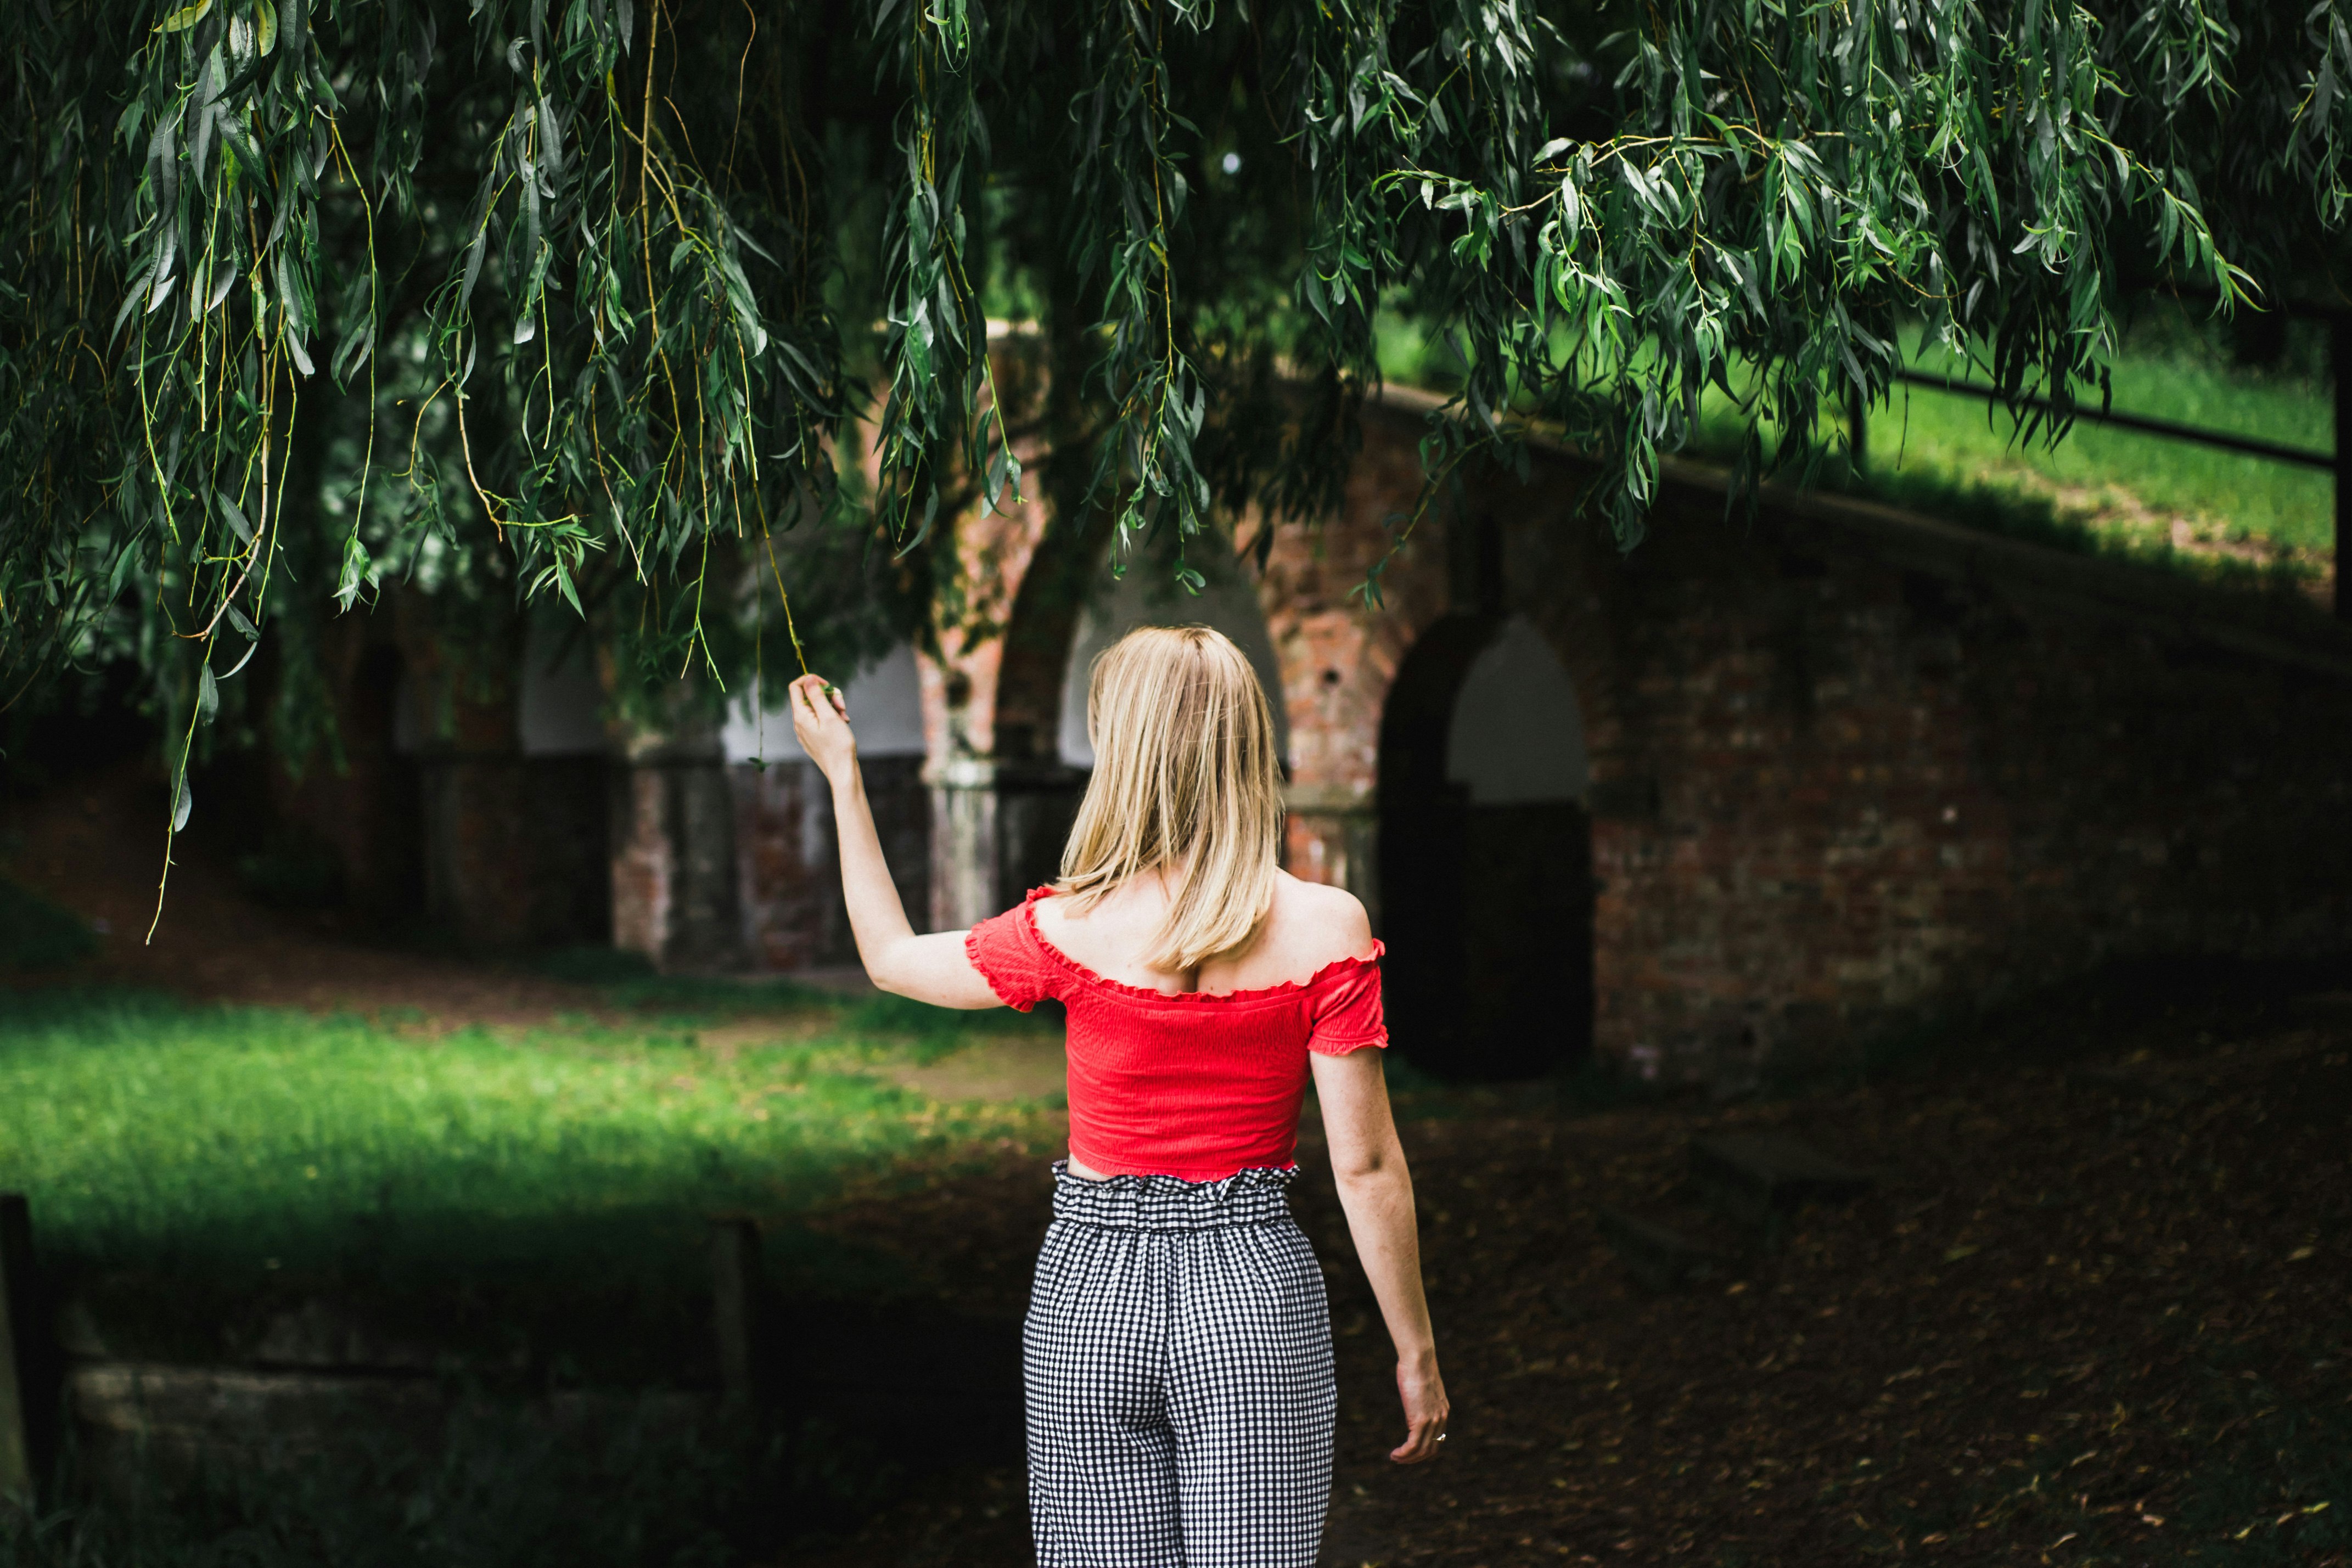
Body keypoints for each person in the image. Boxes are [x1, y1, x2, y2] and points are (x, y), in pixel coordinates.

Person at [789, 624, 1447, 1568]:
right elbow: (1366, 1164)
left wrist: (845, 775)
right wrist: (1413, 1351)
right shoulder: (1327, 925)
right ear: (1245, 745)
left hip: (1088, 1295)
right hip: (1253, 1296)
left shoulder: (1066, 925)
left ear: (1126, 751)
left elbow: (891, 960)